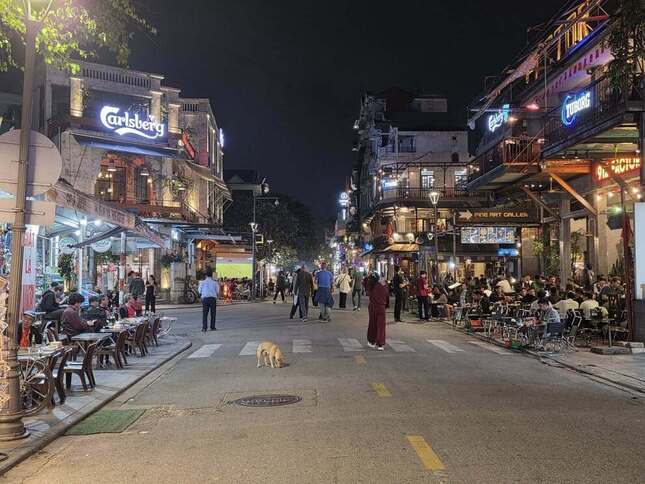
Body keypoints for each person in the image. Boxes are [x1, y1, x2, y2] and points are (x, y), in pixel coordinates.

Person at [367, 275, 389, 350]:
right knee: (381, 326)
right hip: (381, 307)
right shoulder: (384, 286)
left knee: (372, 324)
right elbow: (387, 296)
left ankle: (372, 341)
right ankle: (380, 344)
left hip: (372, 307)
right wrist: (386, 306)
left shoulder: (371, 286)